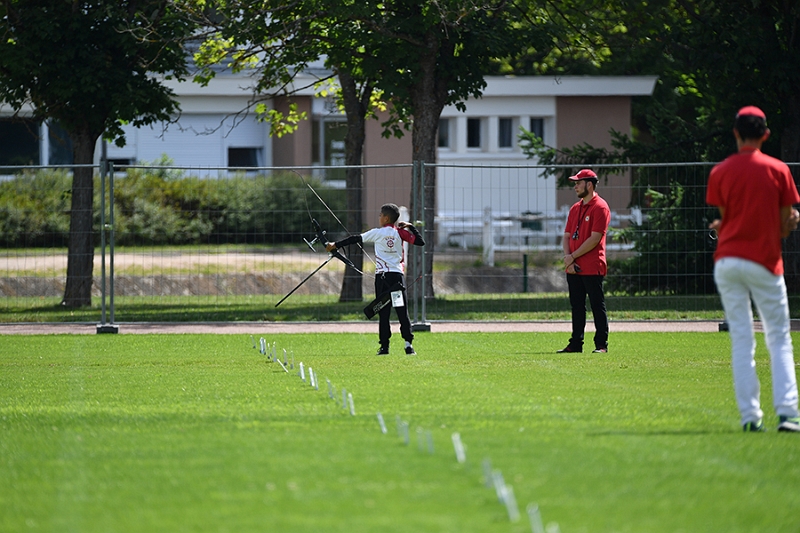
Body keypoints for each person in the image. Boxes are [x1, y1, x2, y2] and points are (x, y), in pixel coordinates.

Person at [707, 105, 800, 433]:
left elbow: (728, 219)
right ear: (766, 135)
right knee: (778, 337)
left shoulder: (720, 171)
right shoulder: (778, 170)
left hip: (728, 260)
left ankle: (750, 417)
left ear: (735, 133)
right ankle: (788, 414)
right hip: (764, 259)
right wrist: (792, 222)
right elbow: (783, 227)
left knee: (742, 338)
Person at [326, 203, 425, 355]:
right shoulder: (401, 233)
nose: (379, 217)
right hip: (397, 279)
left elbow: (355, 239)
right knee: (401, 311)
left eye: (380, 215)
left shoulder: (377, 233)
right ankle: (408, 345)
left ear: (386, 218)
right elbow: (420, 241)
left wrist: (335, 245)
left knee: (383, 312)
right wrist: (411, 227)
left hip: (383, 279)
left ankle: (384, 347)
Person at [558, 169, 611, 354]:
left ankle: (601, 345)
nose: (575, 186)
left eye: (578, 183)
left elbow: (595, 239)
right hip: (573, 267)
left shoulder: (601, 207)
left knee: (597, 305)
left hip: (592, 266)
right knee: (577, 306)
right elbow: (566, 236)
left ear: (589, 184)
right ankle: (575, 343)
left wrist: (572, 256)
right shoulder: (575, 208)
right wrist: (569, 260)